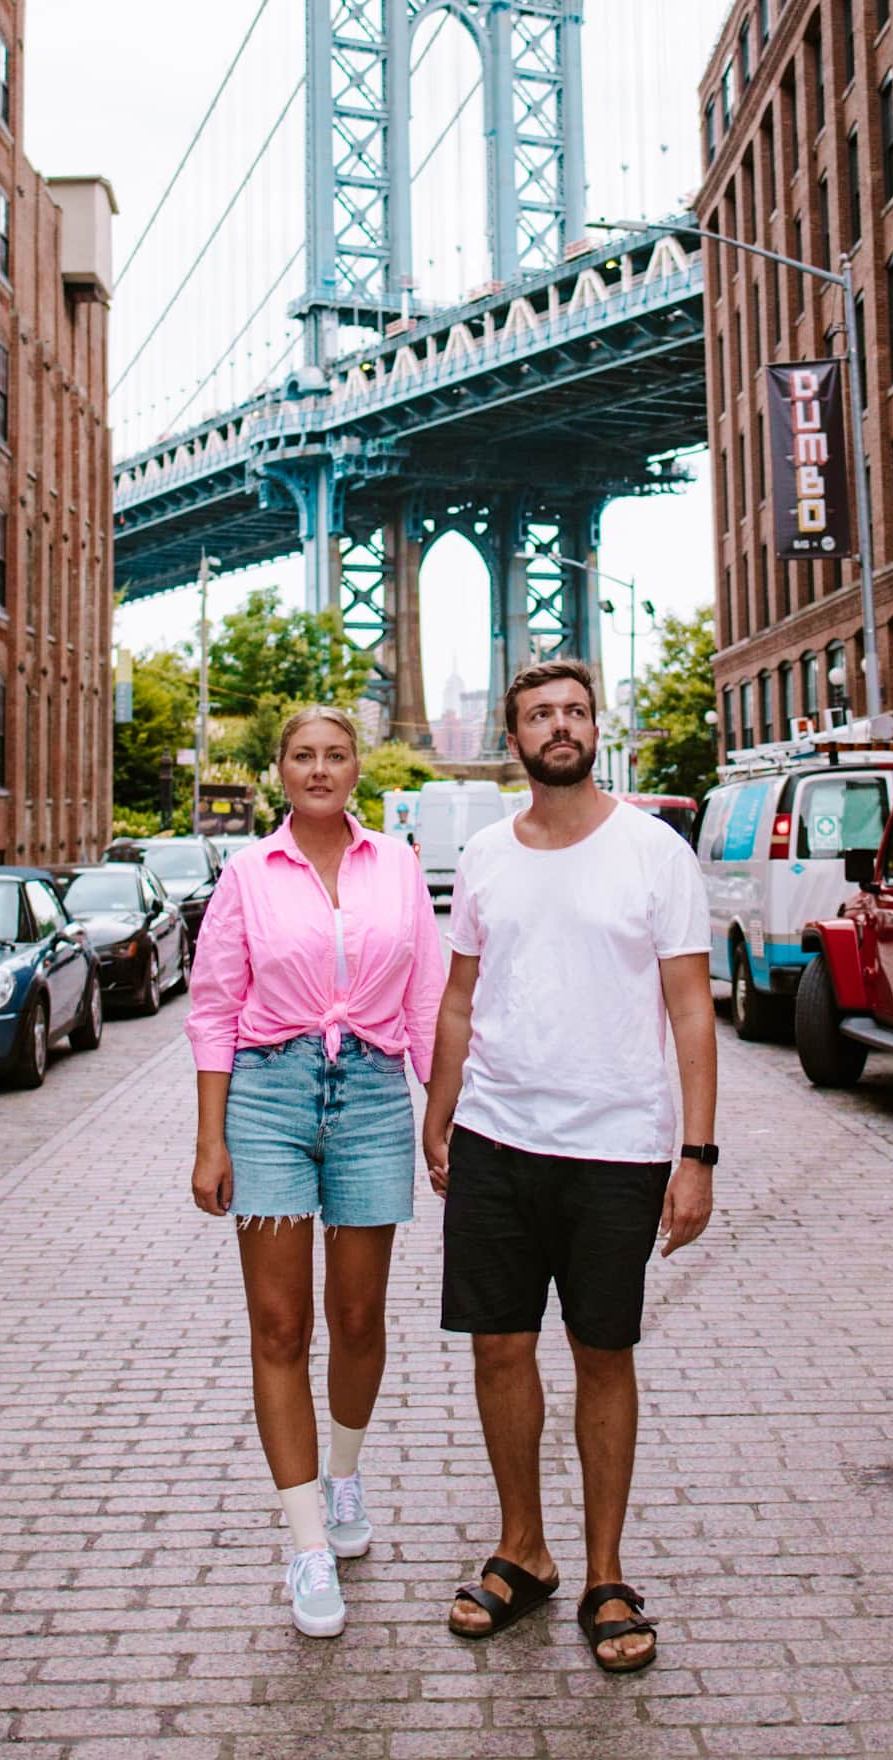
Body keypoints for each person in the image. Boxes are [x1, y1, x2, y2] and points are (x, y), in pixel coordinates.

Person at [422, 659, 717, 1674]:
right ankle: (524, 1548)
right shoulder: (489, 852)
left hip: (616, 1145)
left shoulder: (652, 850)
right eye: (540, 713)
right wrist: (440, 1106)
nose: (560, 724)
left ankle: (605, 1570)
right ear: (515, 738)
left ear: (597, 726)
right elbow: (462, 994)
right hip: (498, 1140)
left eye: (575, 709)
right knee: (497, 1349)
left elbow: (690, 1010)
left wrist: (698, 1153)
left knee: (603, 1351)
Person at [188, 705, 444, 1638]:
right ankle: (305, 1548)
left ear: (356, 769)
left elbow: (424, 999)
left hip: (374, 1095)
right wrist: (209, 1138)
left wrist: (437, 1114)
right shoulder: (248, 875)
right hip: (266, 1096)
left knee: (360, 1316)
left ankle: (344, 1480)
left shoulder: (401, 868)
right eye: (304, 755)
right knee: (280, 1324)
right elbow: (213, 1008)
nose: (321, 769)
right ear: (279, 770)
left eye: (337, 755)